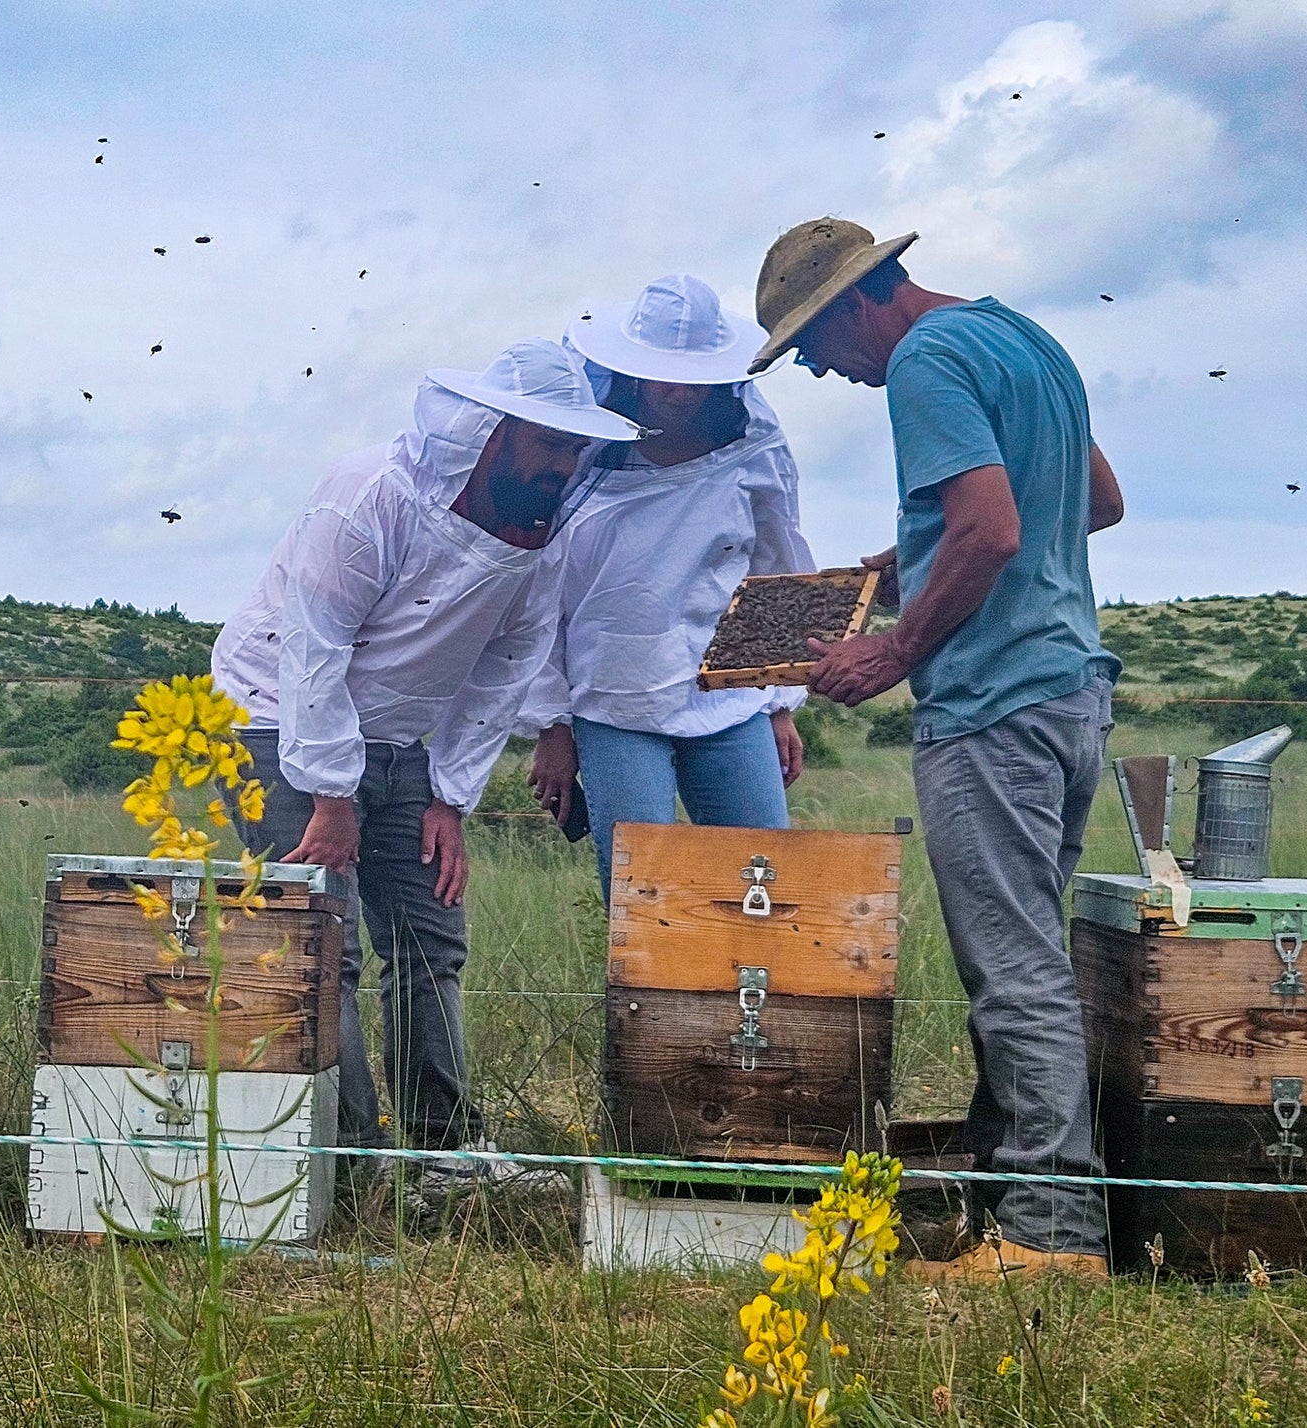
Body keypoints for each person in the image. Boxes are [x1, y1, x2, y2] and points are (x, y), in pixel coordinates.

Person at [747, 218, 1126, 1281]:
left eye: (813, 347)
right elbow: (1093, 503)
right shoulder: (1022, 340)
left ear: (854, 304)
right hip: (1067, 692)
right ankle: (1008, 1196)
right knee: (1026, 957)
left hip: (992, 705)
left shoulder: (921, 362)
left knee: (1012, 973)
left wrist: (893, 651)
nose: (825, 371)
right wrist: (907, 558)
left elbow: (991, 530)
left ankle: (1053, 1233)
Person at [212, 339, 641, 1203]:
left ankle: (442, 1154)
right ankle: (355, 1171)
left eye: (576, 446)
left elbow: (506, 665)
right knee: (323, 942)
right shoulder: (370, 494)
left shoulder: (544, 526)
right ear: (494, 431)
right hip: (276, 716)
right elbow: (315, 648)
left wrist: (449, 796)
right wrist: (333, 796)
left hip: (406, 738)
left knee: (429, 940)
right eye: (550, 443)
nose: (566, 463)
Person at [521, 274, 816, 897]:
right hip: (613, 700)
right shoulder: (578, 451)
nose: (677, 392)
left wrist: (780, 704)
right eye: (660, 373)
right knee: (642, 898)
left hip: (731, 700)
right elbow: (537, 589)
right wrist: (553, 722)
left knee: (762, 889)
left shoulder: (755, 447)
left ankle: (755, 1000)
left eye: (693, 376)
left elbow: (777, 567)